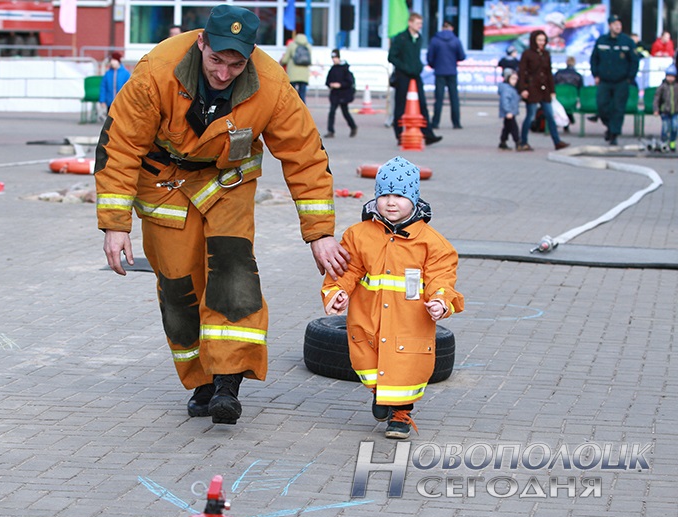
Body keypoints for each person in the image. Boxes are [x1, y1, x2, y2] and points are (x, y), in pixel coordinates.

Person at [94, 4, 349, 426]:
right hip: (165, 185)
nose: (225, 73)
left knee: (232, 273)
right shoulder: (158, 70)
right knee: (178, 284)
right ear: (201, 43)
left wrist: (320, 232)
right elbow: (119, 146)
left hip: (227, 183)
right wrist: (114, 225)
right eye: (216, 60)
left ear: (250, 54)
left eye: (236, 63)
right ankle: (201, 382)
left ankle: (228, 381)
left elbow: (304, 156)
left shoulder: (270, 84)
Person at [320, 156, 464, 439]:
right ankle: (380, 393)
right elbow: (348, 270)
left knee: (405, 369)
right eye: (384, 194)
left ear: (414, 198)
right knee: (365, 362)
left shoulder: (432, 243)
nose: (391, 202)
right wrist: (337, 292)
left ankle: (400, 415)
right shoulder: (358, 235)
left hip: (408, 324)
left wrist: (440, 301)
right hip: (368, 320)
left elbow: (442, 276)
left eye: (399, 195)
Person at [389, 12, 442, 146]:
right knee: (400, 106)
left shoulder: (419, 38)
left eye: (421, 24)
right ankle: (400, 135)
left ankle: (428, 134)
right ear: (410, 23)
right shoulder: (401, 38)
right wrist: (404, 67)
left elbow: (416, 56)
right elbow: (391, 57)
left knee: (422, 105)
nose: (420, 26)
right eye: (418, 23)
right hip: (403, 76)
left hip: (415, 75)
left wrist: (418, 67)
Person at [590, 15, 639, 146]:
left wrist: (630, 77)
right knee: (602, 105)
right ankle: (610, 127)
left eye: (619, 24)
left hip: (621, 81)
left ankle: (614, 134)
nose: (618, 26)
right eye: (615, 24)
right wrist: (595, 74)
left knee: (618, 108)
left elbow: (634, 61)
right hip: (605, 80)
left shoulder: (627, 41)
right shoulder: (602, 41)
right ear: (610, 26)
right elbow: (594, 59)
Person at [517, 30, 569, 151]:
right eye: (539, 40)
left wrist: (552, 90)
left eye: (543, 40)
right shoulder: (527, 54)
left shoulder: (546, 54)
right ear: (534, 41)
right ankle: (523, 141)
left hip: (544, 89)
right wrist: (523, 89)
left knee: (550, 116)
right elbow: (522, 72)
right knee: (530, 116)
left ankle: (557, 141)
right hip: (532, 89)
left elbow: (548, 73)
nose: (541, 43)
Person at [426, 21, 465, 129]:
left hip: (439, 72)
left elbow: (430, 57)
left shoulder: (435, 40)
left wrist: (435, 65)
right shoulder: (456, 40)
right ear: (452, 28)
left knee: (438, 99)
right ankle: (456, 123)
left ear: (442, 27)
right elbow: (462, 56)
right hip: (452, 71)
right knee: (454, 99)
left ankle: (435, 122)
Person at [323, 49, 357, 138]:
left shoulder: (345, 69)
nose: (334, 59)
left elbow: (349, 82)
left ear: (339, 57)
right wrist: (330, 84)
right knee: (332, 112)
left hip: (343, 94)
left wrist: (340, 85)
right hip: (334, 94)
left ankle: (353, 126)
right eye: (333, 58)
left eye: (335, 57)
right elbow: (327, 81)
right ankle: (330, 131)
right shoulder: (332, 69)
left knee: (345, 112)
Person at [553, 56, 584, 131]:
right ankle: (569, 120)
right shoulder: (578, 76)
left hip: (559, 99)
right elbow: (581, 90)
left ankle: (567, 121)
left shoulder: (558, 74)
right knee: (568, 103)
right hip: (571, 101)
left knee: (564, 103)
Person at [279, 33, 311, 103]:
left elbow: (285, 60)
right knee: (302, 95)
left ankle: (293, 110)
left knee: (292, 94)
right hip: (304, 75)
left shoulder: (292, 45)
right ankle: (303, 112)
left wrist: (281, 62)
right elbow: (309, 60)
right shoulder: (308, 46)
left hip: (293, 73)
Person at [652, 64, 677, 152]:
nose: (670, 78)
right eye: (668, 76)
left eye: (672, 76)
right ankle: (664, 142)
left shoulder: (676, 86)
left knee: (674, 126)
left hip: (675, 111)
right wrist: (656, 109)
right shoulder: (662, 87)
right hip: (665, 111)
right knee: (665, 127)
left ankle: (672, 142)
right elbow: (657, 99)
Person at [99, 51, 130, 116]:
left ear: (117, 61)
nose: (111, 62)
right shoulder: (108, 74)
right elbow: (103, 87)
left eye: (113, 60)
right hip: (110, 102)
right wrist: (102, 100)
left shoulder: (125, 74)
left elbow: (129, 88)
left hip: (121, 103)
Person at [498, 68, 520, 150]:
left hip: (511, 111)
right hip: (509, 112)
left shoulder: (511, 89)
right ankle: (518, 141)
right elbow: (505, 101)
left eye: (516, 79)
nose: (515, 81)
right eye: (513, 79)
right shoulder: (507, 89)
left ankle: (503, 141)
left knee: (507, 128)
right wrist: (508, 111)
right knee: (514, 127)